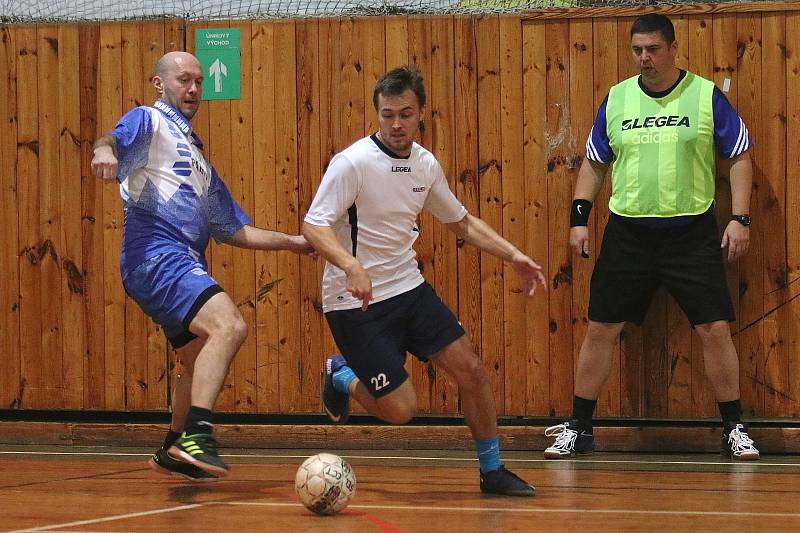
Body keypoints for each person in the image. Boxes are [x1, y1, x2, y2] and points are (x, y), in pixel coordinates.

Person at [302, 66, 547, 496]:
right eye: (388, 115)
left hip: (407, 289)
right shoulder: (352, 163)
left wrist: (515, 256)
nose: (396, 124)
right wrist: (351, 265)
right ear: (377, 114)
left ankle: (492, 471)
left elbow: (462, 222)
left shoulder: (424, 164)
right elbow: (314, 226)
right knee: (401, 410)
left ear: (421, 115)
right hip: (353, 301)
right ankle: (340, 374)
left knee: (470, 369)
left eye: (405, 114)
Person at [544, 13, 759, 461]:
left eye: (654, 49)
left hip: (692, 232)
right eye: (638, 49)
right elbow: (594, 163)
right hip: (628, 233)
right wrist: (579, 217)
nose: (645, 57)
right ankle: (579, 427)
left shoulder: (705, 96)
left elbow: (739, 155)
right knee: (600, 327)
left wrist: (740, 218)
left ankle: (734, 428)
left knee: (715, 328)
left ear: (673, 48)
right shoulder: (618, 99)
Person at [91, 51, 314, 480]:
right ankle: (198, 435)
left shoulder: (197, 159)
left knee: (195, 361)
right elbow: (112, 139)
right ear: (159, 84)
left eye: (198, 82)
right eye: (183, 80)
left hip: (176, 262)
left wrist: (293, 242)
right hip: (157, 256)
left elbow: (232, 229)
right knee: (228, 326)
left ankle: (173, 447)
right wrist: (104, 151)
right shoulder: (148, 121)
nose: (193, 89)